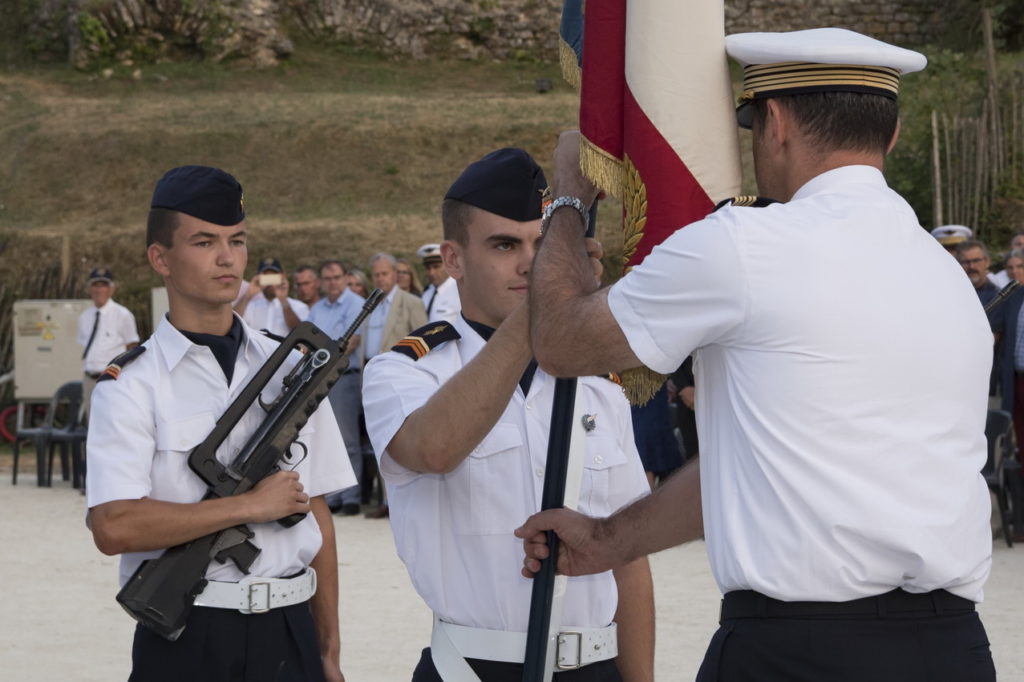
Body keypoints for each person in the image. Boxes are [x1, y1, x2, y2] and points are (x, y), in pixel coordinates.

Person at [517, 28, 995, 682]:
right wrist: (606, 541)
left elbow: (562, 340)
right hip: (951, 650)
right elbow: (760, 464)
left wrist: (570, 199)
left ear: (774, 123)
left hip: (798, 651)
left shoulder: (744, 246)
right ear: (892, 134)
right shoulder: (945, 277)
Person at [362, 148, 654, 682]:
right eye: (504, 245)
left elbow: (629, 556)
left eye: (544, 245)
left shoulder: (596, 382)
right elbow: (433, 449)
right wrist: (548, 302)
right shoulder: (406, 373)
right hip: (476, 669)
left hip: (595, 666)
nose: (529, 262)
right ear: (452, 261)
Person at [86, 165, 355, 682]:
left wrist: (328, 651)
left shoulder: (290, 368)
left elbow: (316, 510)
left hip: (290, 626)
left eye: (237, 240)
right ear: (160, 258)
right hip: (190, 633)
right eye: (205, 241)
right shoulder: (131, 384)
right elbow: (114, 524)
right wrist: (248, 506)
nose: (227, 257)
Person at [308, 259, 366, 516]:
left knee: (348, 440)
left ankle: (351, 496)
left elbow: (350, 343)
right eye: (328, 278)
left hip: (343, 377)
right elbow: (307, 340)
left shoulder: (355, 304)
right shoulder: (318, 308)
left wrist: (320, 354)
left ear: (345, 278)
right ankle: (333, 496)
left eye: (336, 277)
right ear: (322, 282)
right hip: (319, 378)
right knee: (326, 439)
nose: (333, 282)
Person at [77, 267, 139, 419]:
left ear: (111, 289)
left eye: (103, 285)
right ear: (89, 289)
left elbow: (133, 348)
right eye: (95, 285)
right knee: (92, 426)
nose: (99, 290)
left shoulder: (122, 315)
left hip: (113, 380)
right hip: (90, 380)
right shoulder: (85, 316)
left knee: (115, 422)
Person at [358, 253, 427, 366]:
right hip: (369, 369)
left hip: (398, 371)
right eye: (376, 275)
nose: (380, 279)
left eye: (384, 274)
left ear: (395, 274)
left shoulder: (412, 302)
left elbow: (423, 343)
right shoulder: (369, 303)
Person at [235, 257, 310, 337]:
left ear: (282, 277)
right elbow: (232, 322)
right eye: (266, 278)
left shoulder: (299, 306)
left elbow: (300, 332)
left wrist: (283, 300)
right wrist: (247, 295)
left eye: (273, 277)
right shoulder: (251, 305)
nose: (270, 283)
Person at [417, 243, 461, 324]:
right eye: (428, 268)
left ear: (448, 265)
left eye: (436, 267)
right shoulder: (427, 292)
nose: (431, 273)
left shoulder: (460, 290)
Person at [956, 239, 1000, 309]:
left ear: (987, 262)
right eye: (966, 262)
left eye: (976, 260)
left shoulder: (998, 297)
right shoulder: (952, 294)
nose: (971, 266)